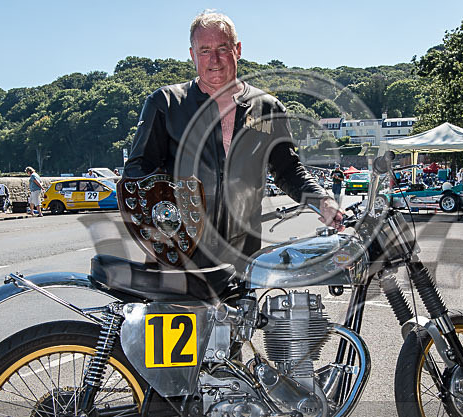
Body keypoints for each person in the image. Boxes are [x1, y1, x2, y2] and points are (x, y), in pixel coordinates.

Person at [123, 10, 342, 269]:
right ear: (192, 55)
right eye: (204, 50)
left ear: (237, 49)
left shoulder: (267, 107)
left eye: (222, 48)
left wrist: (322, 200)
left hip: (243, 255)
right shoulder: (165, 103)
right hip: (177, 255)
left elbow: (288, 169)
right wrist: (161, 222)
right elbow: (137, 172)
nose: (214, 59)